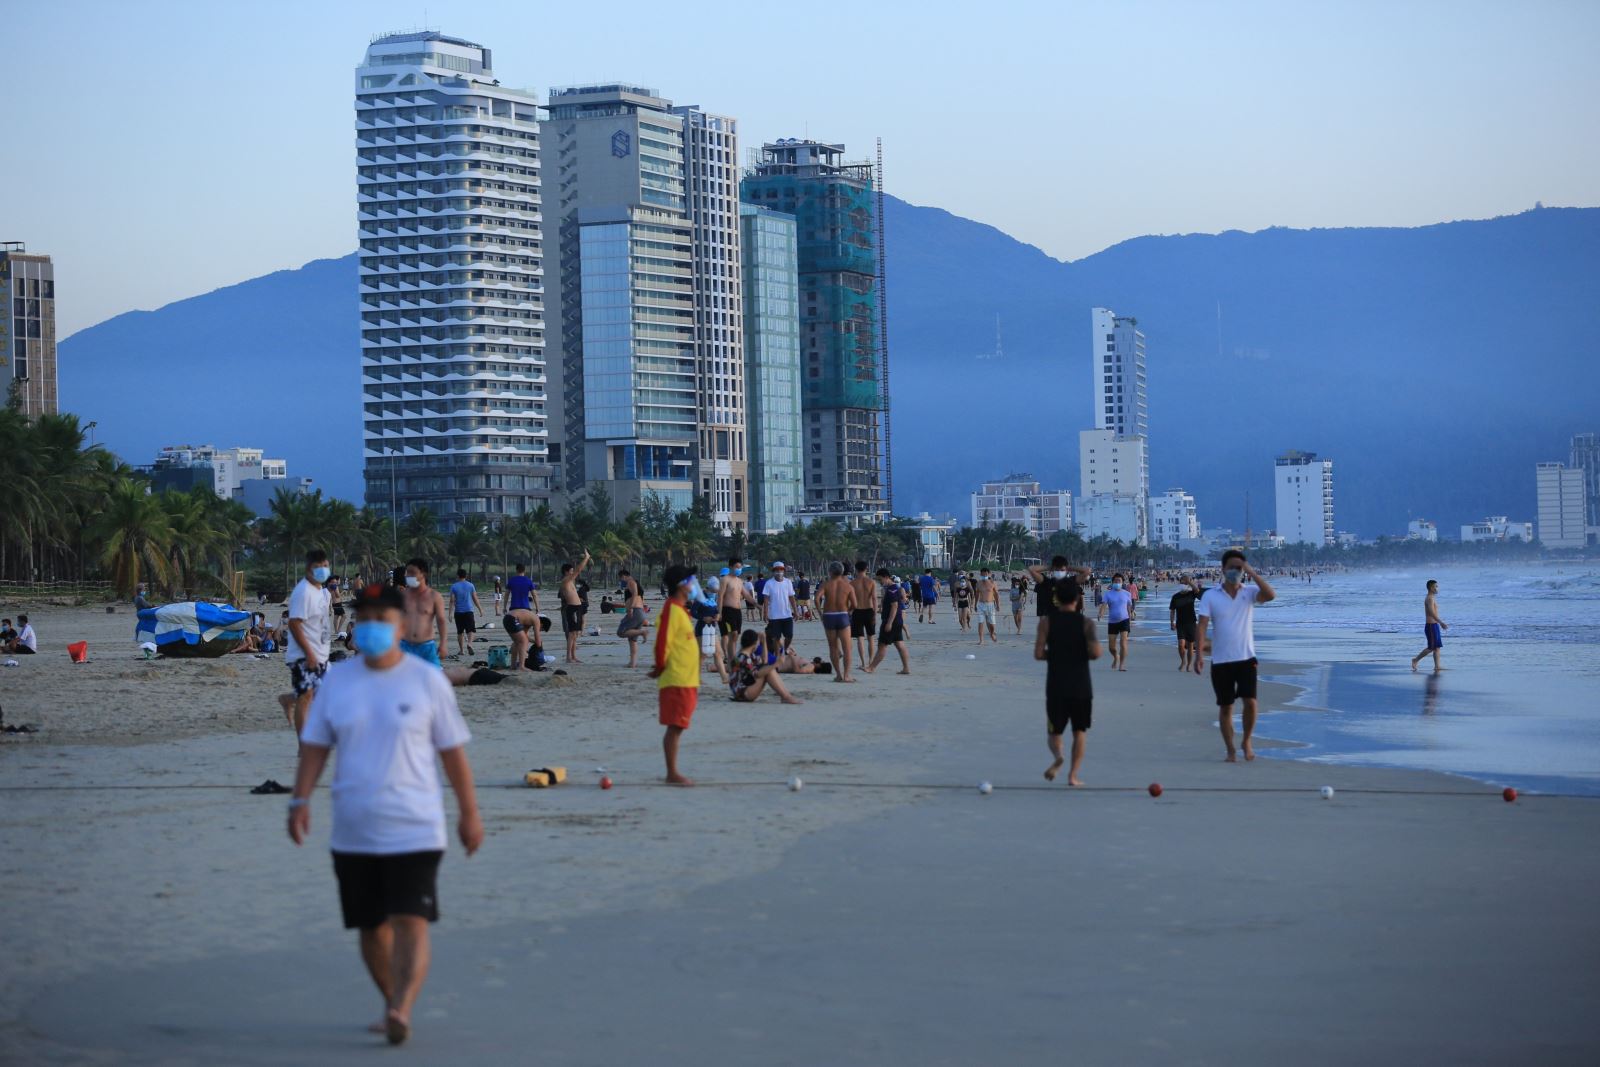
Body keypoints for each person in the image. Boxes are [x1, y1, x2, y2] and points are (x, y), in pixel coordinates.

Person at [287, 581, 482, 1047]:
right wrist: (299, 800)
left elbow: (453, 754)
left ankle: (401, 1008)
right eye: (365, 618)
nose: (373, 626)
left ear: (401, 624)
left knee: (411, 921)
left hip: (415, 825)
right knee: (371, 928)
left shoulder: (426, 681)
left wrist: (469, 814)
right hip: (353, 830)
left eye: (383, 618)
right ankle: (392, 998)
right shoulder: (337, 681)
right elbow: (315, 747)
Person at [1194, 549, 1277, 763]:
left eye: (1239, 568)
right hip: (1221, 660)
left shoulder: (1248, 593)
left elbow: (1270, 595)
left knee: (1251, 702)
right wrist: (1198, 654)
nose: (1235, 571)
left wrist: (1252, 572)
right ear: (1223, 569)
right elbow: (1202, 625)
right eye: (1232, 567)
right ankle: (1230, 749)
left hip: (1246, 658)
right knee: (1226, 706)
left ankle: (1247, 741)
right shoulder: (1211, 595)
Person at [1035, 577, 1099, 786]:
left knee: (1054, 731)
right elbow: (1096, 653)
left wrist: (1055, 656)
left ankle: (1058, 756)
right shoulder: (1086, 623)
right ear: (1077, 599)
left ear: (1056, 599)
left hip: (1056, 686)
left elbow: (1038, 654)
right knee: (1079, 731)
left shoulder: (1046, 622)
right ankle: (1072, 775)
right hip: (1081, 685)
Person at [650, 565, 702, 786]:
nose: (693, 585)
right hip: (676, 679)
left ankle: (672, 771)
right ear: (681, 585)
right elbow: (663, 641)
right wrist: (660, 666)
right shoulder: (671, 608)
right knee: (675, 726)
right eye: (690, 580)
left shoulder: (681, 609)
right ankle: (672, 773)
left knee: (679, 725)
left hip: (687, 679)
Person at [276, 551, 332, 742]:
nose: (323, 570)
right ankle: (304, 745)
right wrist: (309, 653)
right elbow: (294, 623)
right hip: (303, 654)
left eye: (325, 565)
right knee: (306, 697)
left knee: (319, 694)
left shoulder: (320, 591)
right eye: (318, 566)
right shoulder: (303, 592)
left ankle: (288, 699)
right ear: (309, 569)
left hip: (321, 653)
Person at [728, 630, 803, 704]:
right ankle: (786, 697)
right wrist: (776, 664)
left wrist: (763, 643)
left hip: (741, 691)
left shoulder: (744, 655)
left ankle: (786, 696)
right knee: (769, 671)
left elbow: (764, 661)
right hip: (743, 693)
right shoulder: (745, 659)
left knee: (767, 668)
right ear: (754, 643)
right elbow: (757, 674)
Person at [399, 559, 447, 668]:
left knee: (433, 678)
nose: (408, 576)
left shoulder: (434, 596)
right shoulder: (402, 596)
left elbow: (441, 621)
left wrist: (443, 643)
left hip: (427, 646)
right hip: (404, 645)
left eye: (412, 572)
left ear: (423, 573)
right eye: (407, 572)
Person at [814, 562, 856, 682]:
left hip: (829, 616)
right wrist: (849, 612)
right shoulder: (848, 586)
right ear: (842, 572)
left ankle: (838, 674)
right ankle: (846, 675)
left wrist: (820, 613)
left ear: (830, 572)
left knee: (833, 647)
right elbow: (855, 604)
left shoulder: (826, 584)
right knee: (847, 648)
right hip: (842, 615)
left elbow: (817, 598)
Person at [865, 568, 911, 675]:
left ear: (886, 577)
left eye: (880, 580)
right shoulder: (893, 588)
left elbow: (894, 606)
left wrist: (889, 623)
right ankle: (906, 668)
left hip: (892, 621)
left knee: (882, 645)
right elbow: (891, 605)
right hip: (897, 620)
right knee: (899, 644)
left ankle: (871, 668)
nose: (879, 582)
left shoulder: (891, 590)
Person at [1026, 556, 1092, 627]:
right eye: (1057, 570)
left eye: (1062, 570)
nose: (1060, 572)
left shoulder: (1071, 581)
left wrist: (1068, 567)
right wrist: (1050, 567)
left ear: (1066, 570)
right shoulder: (1047, 582)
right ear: (1053, 570)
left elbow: (1087, 570)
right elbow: (1031, 569)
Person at [1097, 572, 1136, 670]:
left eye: (1119, 581)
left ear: (1123, 582)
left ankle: (1122, 665)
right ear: (1112, 582)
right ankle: (1116, 657)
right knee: (1111, 647)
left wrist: (1131, 617)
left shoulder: (1127, 593)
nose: (1117, 582)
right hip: (1112, 622)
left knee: (1123, 643)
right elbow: (1104, 605)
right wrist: (1100, 613)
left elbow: (1129, 607)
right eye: (1115, 581)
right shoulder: (1108, 594)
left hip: (1124, 620)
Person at [558, 551, 591, 664]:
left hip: (577, 608)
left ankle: (573, 656)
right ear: (566, 572)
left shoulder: (571, 582)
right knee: (571, 634)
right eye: (571, 571)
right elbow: (578, 569)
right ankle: (568, 657)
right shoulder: (566, 580)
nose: (573, 572)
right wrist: (586, 558)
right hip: (571, 608)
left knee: (575, 634)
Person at [1410, 579, 1449, 672]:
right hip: (1431, 626)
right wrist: (1441, 622)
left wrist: (1438, 623)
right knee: (1431, 647)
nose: (1437, 588)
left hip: (1434, 625)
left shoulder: (1432, 598)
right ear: (1431, 588)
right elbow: (1431, 613)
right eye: (1436, 586)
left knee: (1437, 647)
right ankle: (1415, 659)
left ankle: (1437, 666)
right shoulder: (1429, 598)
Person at [762, 561, 799, 656]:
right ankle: (777, 655)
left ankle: (785, 649)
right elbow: (765, 600)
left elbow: (791, 597)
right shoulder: (769, 583)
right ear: (773, 571)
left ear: (784, 571)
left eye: (781, 570)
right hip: (774, 616)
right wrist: (765, 613)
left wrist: (796, 611)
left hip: (787, 615)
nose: (779, 572)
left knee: (789, 636)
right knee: (776, 637)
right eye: (777, 570)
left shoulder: (788, 582)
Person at [718, 558, 749, 668]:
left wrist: (756, 604)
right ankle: (729, 657)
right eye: (737, 567)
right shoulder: (724, 580)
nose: (739, 569)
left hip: (737, 611)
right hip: (727, 611)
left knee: (734, 635)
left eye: (740, 567)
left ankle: (731, 657)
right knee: (728, 634)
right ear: (730, 567)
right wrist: (719, 612)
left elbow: (744, 595)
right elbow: (720, 597)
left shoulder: (739, 581)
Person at [850, 559, 879, 670]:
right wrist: (875, 614)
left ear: (856, 570)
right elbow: (874, 598)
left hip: (857, 611)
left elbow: (850, 600)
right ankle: (870, 662)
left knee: (860, 638)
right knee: (871, 637)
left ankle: (863, 662)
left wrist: (850, 611)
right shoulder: (871, 582)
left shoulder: (852, 583)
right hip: (869, 610)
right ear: (866, 569)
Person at [448, 569, 483, 659]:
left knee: (460, 632)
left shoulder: (454, 586)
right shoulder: (470, 585)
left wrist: (450, 613)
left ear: (457, 576)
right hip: (469, 611)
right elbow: (475, 598)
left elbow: (452, 601)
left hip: (458, 612)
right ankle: (470, 644)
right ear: (466, 576)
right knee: (471, 630)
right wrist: (480, 609)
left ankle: (462, 650)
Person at [616, 568, 648, 668]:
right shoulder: (636, 583)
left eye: (621, 578)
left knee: (620, 632)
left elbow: (634, 594)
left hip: (635, 611)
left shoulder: (630, 582)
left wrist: (630, 608)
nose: (621, 581)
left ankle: (642, 632)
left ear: (623, 576)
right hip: (640, 612)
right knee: (632, 640)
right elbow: (640, 598)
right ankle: (632, 663)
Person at [1169, 576, 1201, 671]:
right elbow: (1172, 610)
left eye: (1185, 583)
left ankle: (1189, 664)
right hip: (1180, 623)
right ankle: (1183, 661)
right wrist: (1172, 622)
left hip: (1191, 622)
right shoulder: (1175, 596)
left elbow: (1197, 591)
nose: (1183, 585)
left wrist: (1190, 582)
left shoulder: (1191, 594)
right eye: (1182, 583)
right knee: (1181, 644)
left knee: (1190, 645)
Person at [501, 607, 548, 672]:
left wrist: (534, 641)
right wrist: (540, 647)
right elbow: (537, 638)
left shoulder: (528, 620)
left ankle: (513, 665)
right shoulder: (537, 620)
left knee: (517, 642)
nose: (540, 630)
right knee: (523, 641)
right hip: (512, 618)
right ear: (542, 624)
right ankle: (521, 666)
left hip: (507, 618)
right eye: (541, 629)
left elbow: (525, 635)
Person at [973, 566, 1002, 645]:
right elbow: (977, 594)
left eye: (985, 574)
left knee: (992, 624)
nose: (984, 576)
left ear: (989, 574)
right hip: (981, 604)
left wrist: (998, 605)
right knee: (980, 622)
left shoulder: (993, 583)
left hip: (990, 604)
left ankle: (992, 633)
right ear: (980, 574)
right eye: (982, 574)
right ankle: (981, 640)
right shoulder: (978, 583)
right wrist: (975, 604)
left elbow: (996, 595)